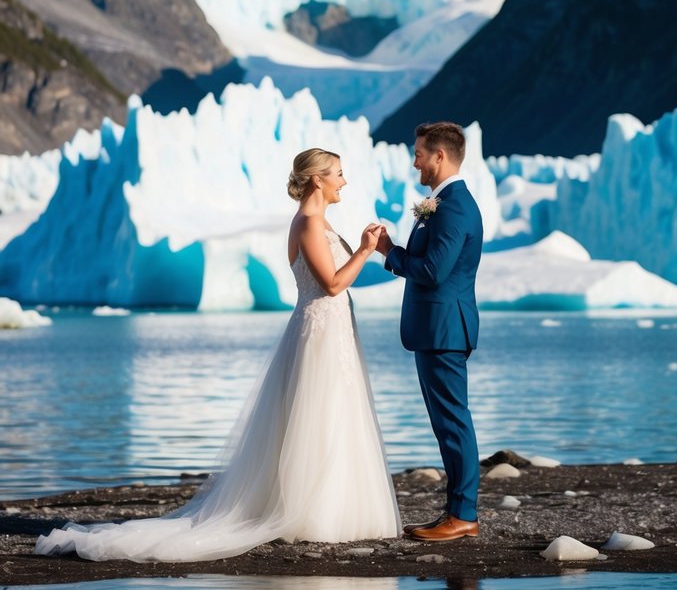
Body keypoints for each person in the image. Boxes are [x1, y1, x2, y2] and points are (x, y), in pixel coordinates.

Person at [35, 149, 401, 562]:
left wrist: (368, 247)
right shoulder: (309, 223)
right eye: (338, 173)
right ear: (317, 179)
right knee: (320, 415)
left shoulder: (319, 222)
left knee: (336, 414)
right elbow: (333, 284)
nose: (344, 181)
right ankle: (313, 512)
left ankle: (335, 507)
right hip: (319, 333)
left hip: (330, 332)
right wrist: (366, 249)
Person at [377, 121, 483, 542]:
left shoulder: (454, 206)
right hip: (437, 329)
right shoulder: (442, 202)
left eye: (420, 152)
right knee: (448, 423)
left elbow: (434, 272)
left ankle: (463, 514)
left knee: (454, 422)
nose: (415, 160)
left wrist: (390, 254)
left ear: (440, 156)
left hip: (444, 329)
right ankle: (458, 510)